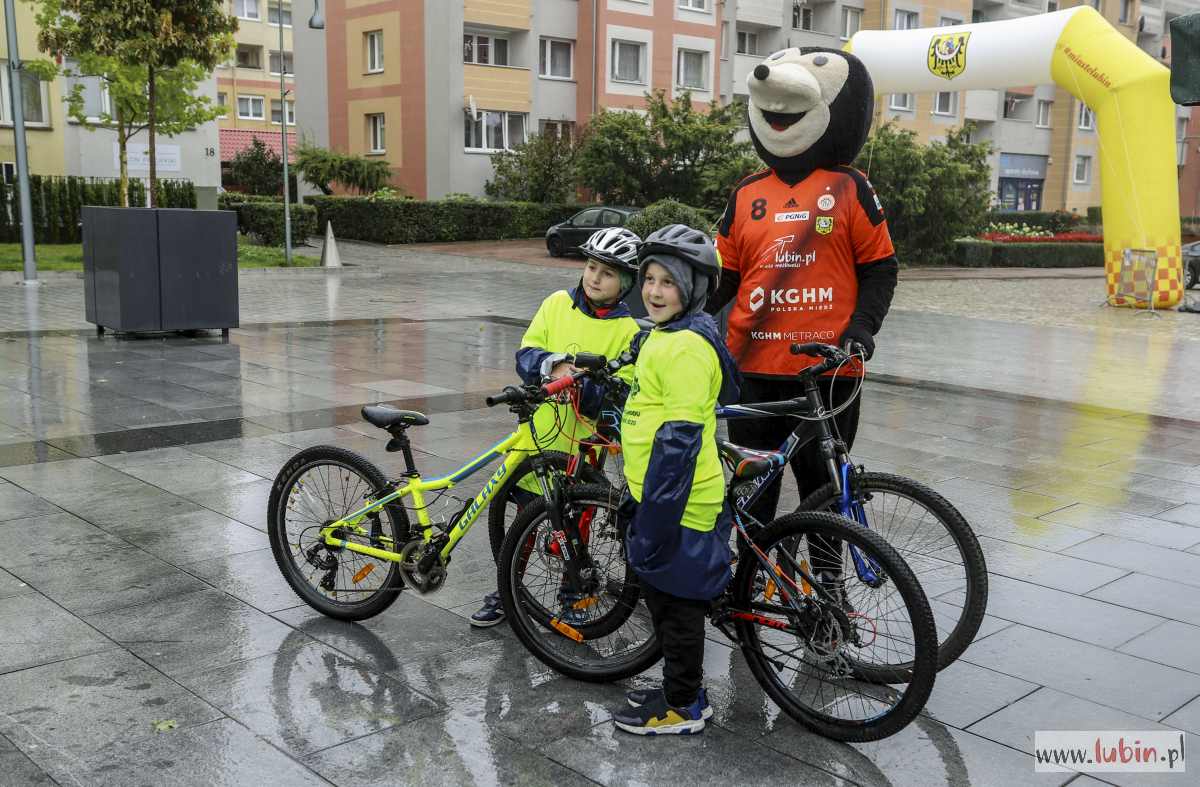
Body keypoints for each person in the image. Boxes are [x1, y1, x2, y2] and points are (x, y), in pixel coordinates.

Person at [707, 48, 898, 581]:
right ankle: (749, 584)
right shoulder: (746, 193)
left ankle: (828, 589)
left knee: (824, 492)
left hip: (828, 370)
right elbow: (725, 277)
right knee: (754, 489)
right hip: (751, 370)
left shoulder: (851, 187)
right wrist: (682, 321)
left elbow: (881, 269)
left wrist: (862, 329)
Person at [471, 226, 643, 628]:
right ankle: (508, 590)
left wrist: (588, 388)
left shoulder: (629, 332)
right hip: (538, 438)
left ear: (625, 282)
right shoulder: (556, 304)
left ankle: (572, 595)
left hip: (584, 449)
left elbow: (622, 392)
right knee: (523, 521)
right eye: (591, 267)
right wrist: (554, 365)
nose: (595, 278)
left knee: (576, 526)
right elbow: (526, 353)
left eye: (607, 273)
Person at [609, 224, 741, 735]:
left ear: (693, 289)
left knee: (677, 607)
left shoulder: (686, 347)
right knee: (665, 599)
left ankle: (685, 705)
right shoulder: (665, 335)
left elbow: (680, 440)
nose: (654, 291)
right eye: (649, 279)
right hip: (662, 495)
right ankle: (678, 688)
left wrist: (657, 518)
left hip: (680, 502)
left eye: (668, 282)